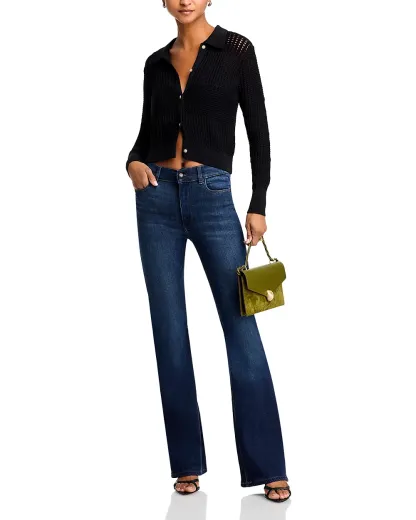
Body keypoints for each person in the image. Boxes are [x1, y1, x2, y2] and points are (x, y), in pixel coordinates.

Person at [125, 0, 291, 503]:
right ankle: (186, 464)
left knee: (241, 327)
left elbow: (258, 130)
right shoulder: (156, 63)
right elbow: (145, 133)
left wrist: (258, 202)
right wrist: (132, 163)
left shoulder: (236, 50)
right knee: (169, 332)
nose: (184, 0)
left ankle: (268, 466)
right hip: (155, 200)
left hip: (214, 196)